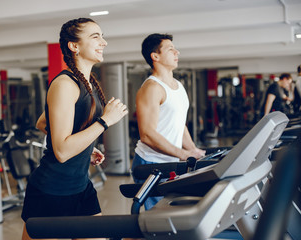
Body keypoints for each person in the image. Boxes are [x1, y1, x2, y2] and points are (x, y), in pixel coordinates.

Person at [21, 18, 128, 240]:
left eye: (102, 36)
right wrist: (105, 121)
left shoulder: (87, 83)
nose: (104, 42)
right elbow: (61, 151)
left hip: (80, 188)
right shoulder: (65, 85)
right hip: (51, 191)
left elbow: (44, 122)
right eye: (95, 36)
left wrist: (85, 147)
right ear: (74, 46)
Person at [131, 33, 205, 210]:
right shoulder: (151, 88)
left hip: (171, 161)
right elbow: (147, 135)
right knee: (158, 220)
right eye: (170, 49)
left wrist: (192, 149)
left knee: (168, 216)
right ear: (155, 56)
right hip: (151, 162)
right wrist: (182, 154)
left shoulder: (178, 85)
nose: (176, 52)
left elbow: (179, 124)